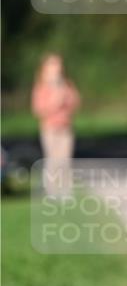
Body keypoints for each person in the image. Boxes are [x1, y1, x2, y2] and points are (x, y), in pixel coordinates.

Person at [31, 53, 80, 198]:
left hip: (65, 127)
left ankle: (65, 190)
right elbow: (38, 109)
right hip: (50, 128)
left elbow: (75, 102)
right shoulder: (41, 86)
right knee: (52, 159)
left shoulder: (66, 84)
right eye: (53, 64)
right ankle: (51, 190)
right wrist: (55, 99)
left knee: (65, 159)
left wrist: (65, 93)